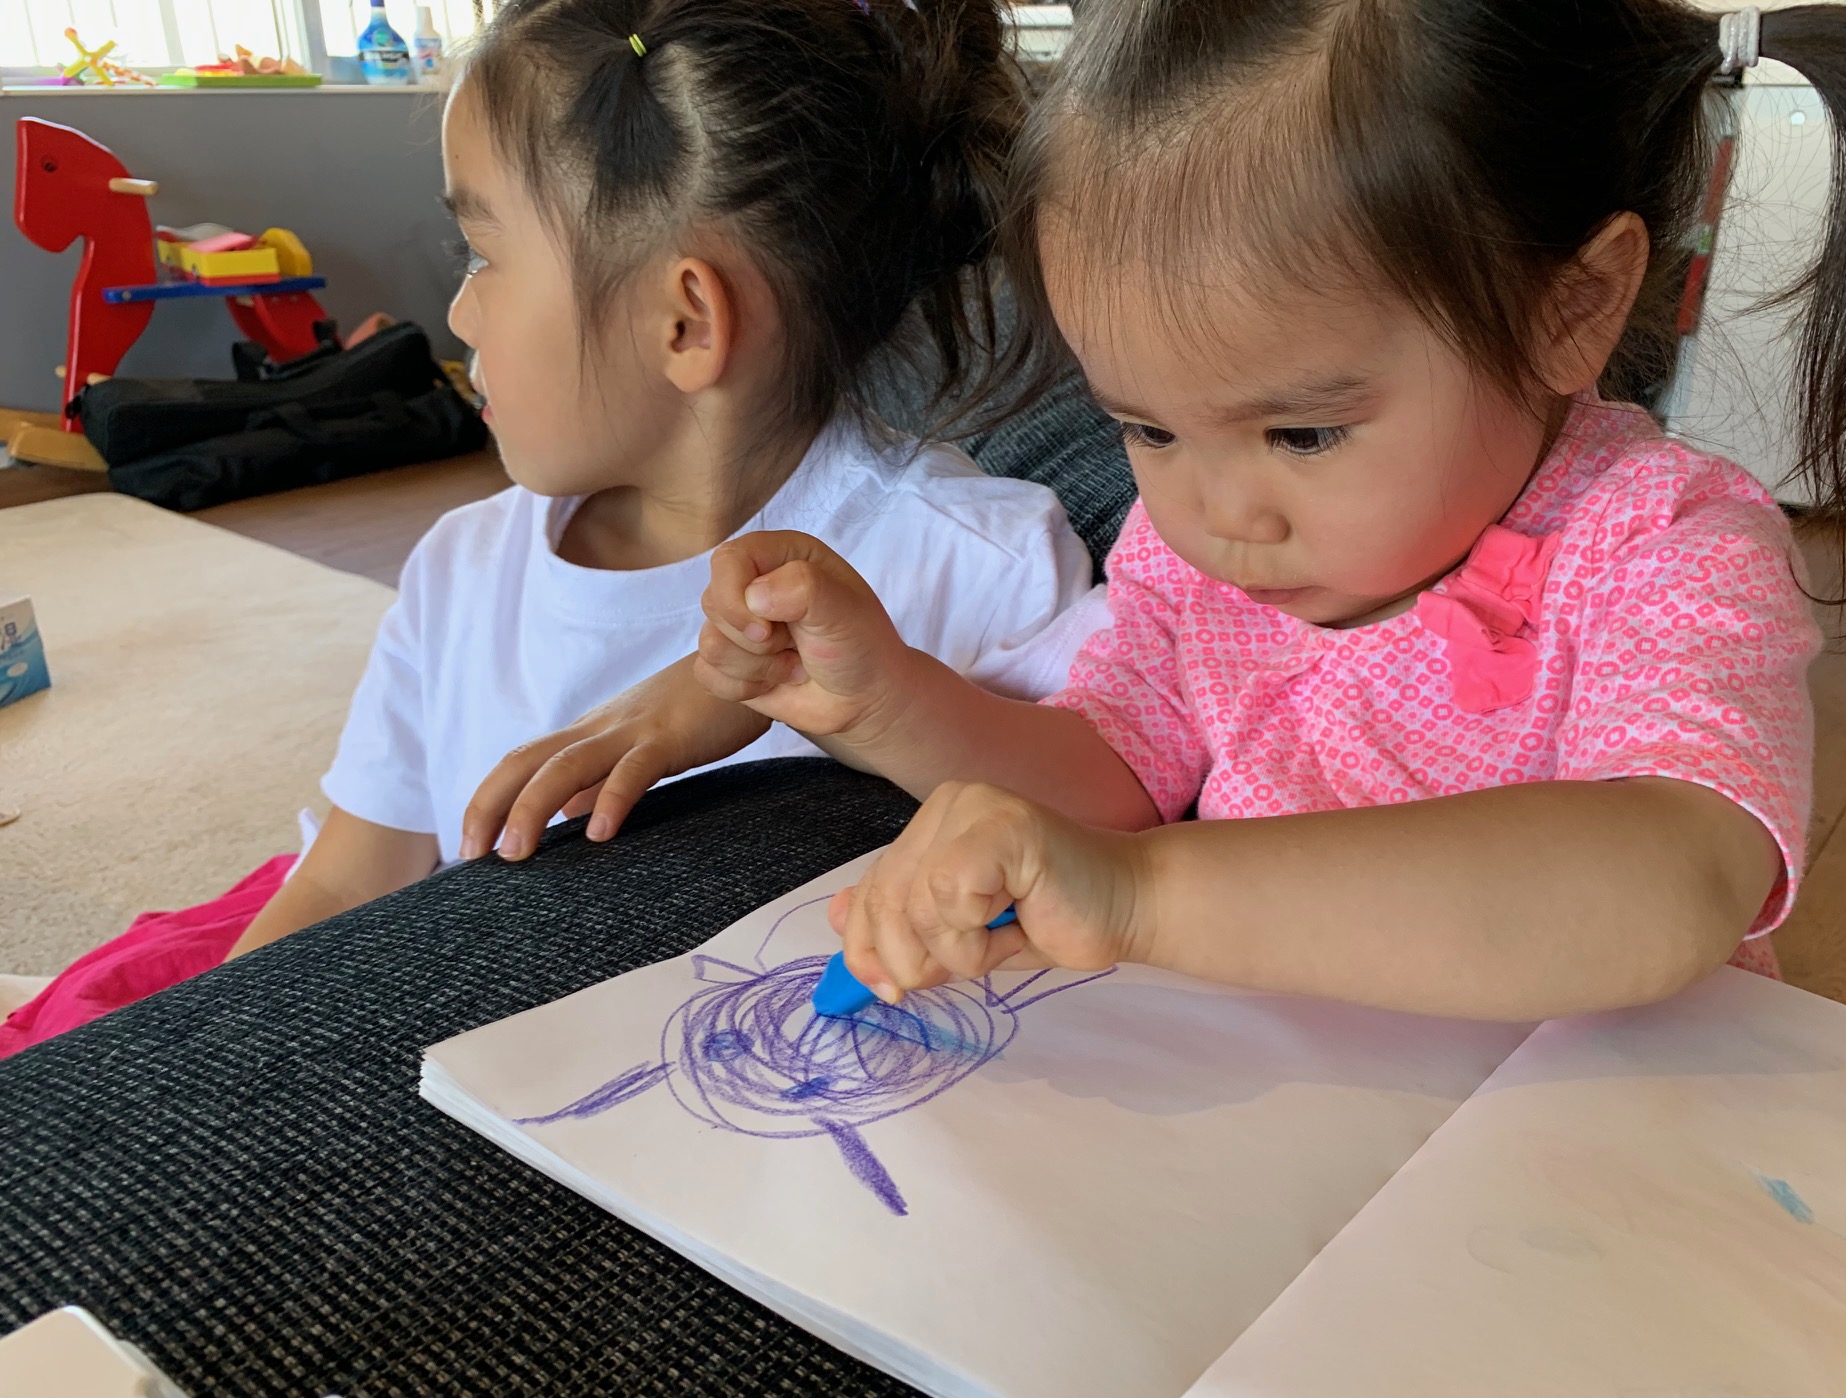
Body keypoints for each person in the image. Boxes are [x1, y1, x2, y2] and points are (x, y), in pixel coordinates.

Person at [668, 0, 1846, 1022]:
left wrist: (1145, 896)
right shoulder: (1198, 566)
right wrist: (885, 703)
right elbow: (1110, 779)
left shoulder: (1662, 548)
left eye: (1302, 432)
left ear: (1574, 309)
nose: (1215, 514)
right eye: (1146, 428)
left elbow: (1672, 880)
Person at [0, 0, 1093, 1058]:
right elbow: (344, 877)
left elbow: (1116, 837)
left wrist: (890, 708)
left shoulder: (973, 564)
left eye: (481, 255)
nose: (458, 314)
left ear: (684, 321)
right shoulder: (463, 567)